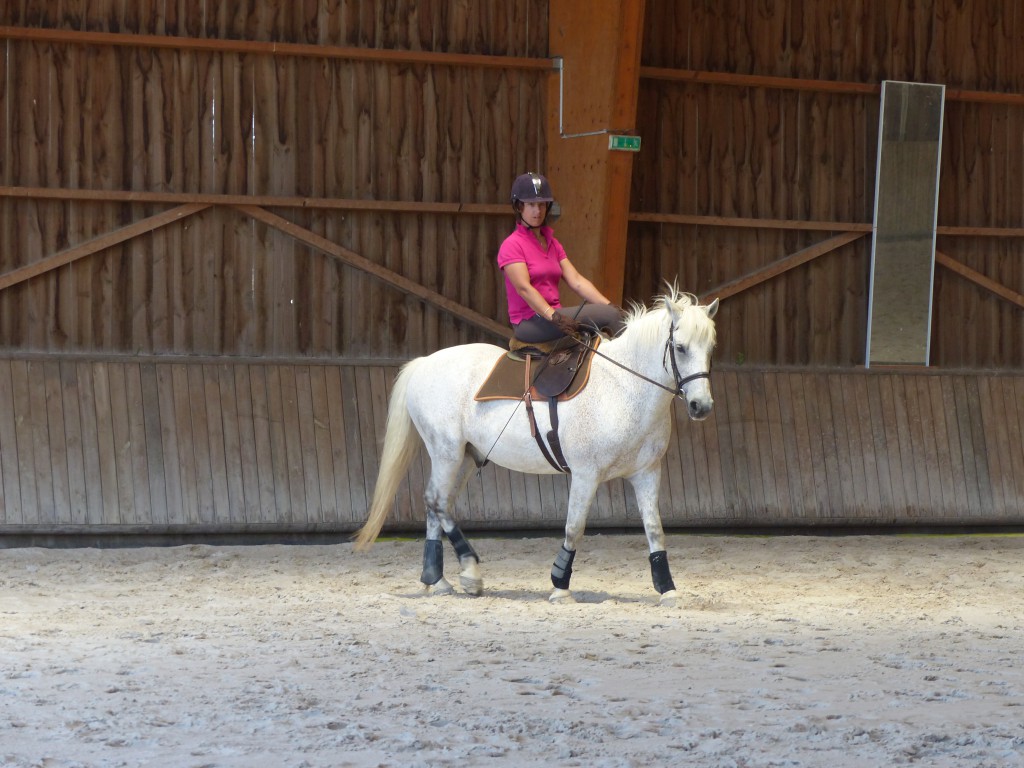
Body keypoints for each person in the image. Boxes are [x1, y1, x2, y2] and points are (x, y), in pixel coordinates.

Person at [497, 172, 625, 344]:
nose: (538, 211)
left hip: (555, 315)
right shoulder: (512, 245)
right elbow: (524, 289)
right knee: (610, 317)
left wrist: (610, 305)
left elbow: (577, 281)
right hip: (530, 321)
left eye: (542, 205)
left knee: (612, 314)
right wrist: (554, 317)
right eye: (531, 205)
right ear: (519, 207)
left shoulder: (552, 243)